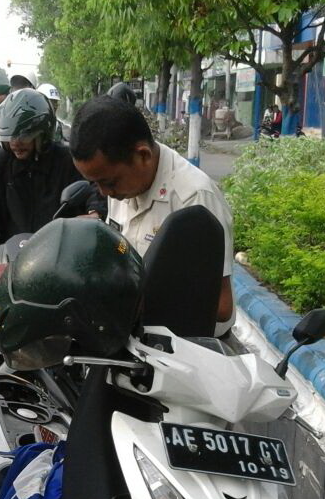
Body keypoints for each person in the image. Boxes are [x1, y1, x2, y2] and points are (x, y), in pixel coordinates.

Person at [70, 95, 236, 336]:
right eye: (95, 184)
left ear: (143, 155)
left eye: (108, 182)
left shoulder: (193, 199)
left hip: (190, 349)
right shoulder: (123, 187)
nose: (104, 192)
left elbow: (221, 306)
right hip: (136, 337)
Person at [0, 87, 89, 251]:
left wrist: (94, 211)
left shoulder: (66, 161)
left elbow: (93, 190)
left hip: (60, 255)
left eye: (23, 136)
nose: (15, 143)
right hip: (11, 257)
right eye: (10, 137)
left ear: (42, 135)